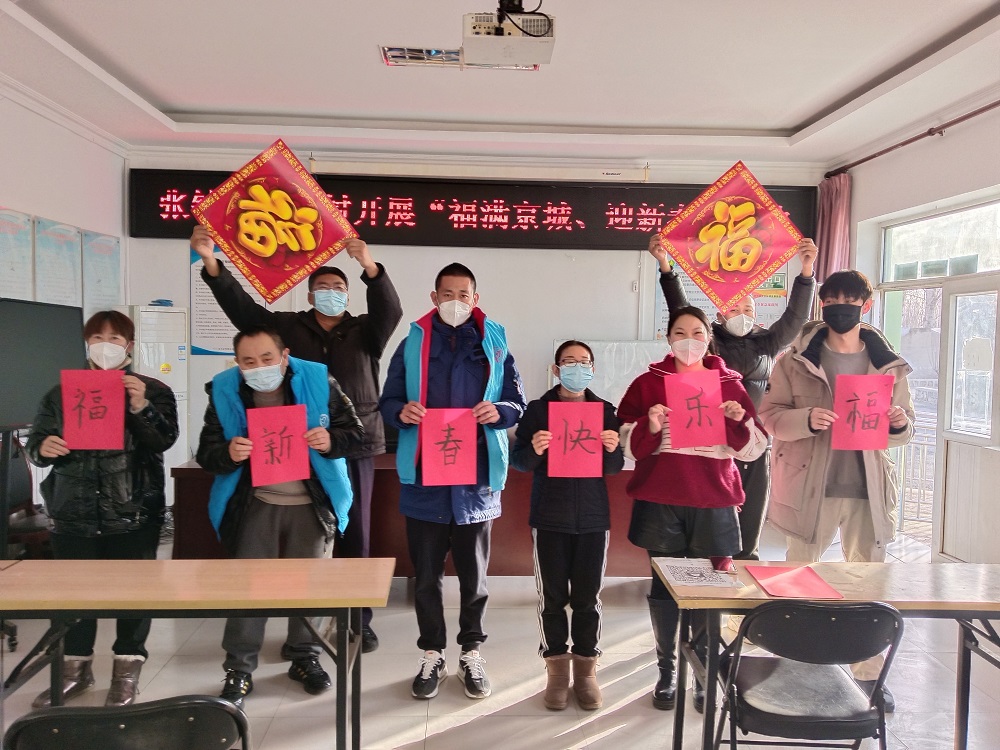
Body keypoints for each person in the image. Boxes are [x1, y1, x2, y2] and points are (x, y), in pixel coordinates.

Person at [191, 224, 402, 652]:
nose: (330, 293)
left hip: (350, 442)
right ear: (308, 295)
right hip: (291, 445)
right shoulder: (287, 327)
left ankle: (356, 618)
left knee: (354, 532)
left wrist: (368, 265)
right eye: (322, 287)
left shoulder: (366, 330)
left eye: (338, 287)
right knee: (305, 540)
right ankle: (298, 630)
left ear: (349, 294)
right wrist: (212, 264)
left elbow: (390, 309)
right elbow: (244, 314)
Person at [759, 269, 914, 712]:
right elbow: (769, 417)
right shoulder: (795, 360)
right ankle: (796, 664)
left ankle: (868, 673)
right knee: (799, 577)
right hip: (810, 484)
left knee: (867, 581)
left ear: (867, 305)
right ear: (821, 305)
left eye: (849, 302)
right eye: (830, 302)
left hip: (868, 487)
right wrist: (806, 419)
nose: (839, 309)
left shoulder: (889, 364)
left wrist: (898, 423)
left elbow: (905, 428)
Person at [378, 262, 526, 701]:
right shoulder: (412, 342)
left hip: (475, 482)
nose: (456, 302)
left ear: (475, 299)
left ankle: (471, 652)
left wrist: (498, 411)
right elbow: (389, 400)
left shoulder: (495, 343)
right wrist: (400, 412)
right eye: (448, 294)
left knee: (474, 578)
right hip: (425, 480)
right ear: (434, 297)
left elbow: (516, 401)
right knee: (426, 578)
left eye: (464, 294)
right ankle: (432, 653)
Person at [196, 325, 363, 708]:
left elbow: (356, 433)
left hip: (312, 503)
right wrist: (229, 453)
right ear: (237, 364)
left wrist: (331, 441)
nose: (259, 367)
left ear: (284, 356)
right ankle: (239, 668)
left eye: (267, 358)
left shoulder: (319, 381)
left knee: (310, 586)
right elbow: (207, 451)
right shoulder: (224, 390)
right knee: (248, 588)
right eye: (248, 362)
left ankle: (305, 657)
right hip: (255, 502)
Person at [617, 306, 767, 713]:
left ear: (708, 337)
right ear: (668, 339)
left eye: (697, 332)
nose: (689, 340)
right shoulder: (649, 383)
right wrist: (649, 425)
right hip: (661, 499)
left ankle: (703, 673)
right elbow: (625, 443)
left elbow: (754, 447)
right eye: (680, 333)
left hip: (714, 498)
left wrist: (737, 419)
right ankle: (667, 671)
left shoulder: (729, 384)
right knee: (665, 588)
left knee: (709, 589)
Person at [26, 310, 178, 708]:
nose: (105, 345)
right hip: (72, 512)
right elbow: (36, 444)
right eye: (97, 337)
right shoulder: (60, 393)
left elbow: (164, 440)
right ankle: (75, 670)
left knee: (135, 596)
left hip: (133, 512)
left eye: (114, 338)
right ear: (86, 343)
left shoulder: (154, 390)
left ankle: (126, 670)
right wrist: (42, 448)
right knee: (73, 597)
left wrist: (142, 406)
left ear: (129, 346)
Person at [648, 234, 818, 560]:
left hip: (752, 441)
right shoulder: (708, 340)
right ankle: (704, 573)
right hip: (709, 442)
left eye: (748, 308)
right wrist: (666, 266)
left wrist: (806, 271)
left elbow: (796, 318)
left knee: (750, 518)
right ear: (719, 312)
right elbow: (681, 310)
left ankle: (745, 570)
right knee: (710, 519)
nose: (742, 313)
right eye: (734, 308)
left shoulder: (768, 342)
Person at [511, 340, 624, 711]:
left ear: (593, 368)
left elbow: (614, 468)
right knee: (553, 598)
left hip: (593, 518)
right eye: (569, 361)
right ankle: (557, 671)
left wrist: (612, 448)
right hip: (550, 517)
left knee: (588, 599)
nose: (577, 367)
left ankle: (587, 671)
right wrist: (535, 448)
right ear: (557, 369)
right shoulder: (538, 410)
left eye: (584, 361)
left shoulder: (605, 411)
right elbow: (520, 462)